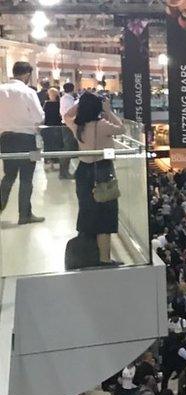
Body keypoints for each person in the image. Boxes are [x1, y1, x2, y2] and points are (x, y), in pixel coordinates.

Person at [64, 92, 124, 265]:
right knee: (106, 215)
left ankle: (88, 254)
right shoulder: (102, 125)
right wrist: (108, 110)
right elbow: (121, 128)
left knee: (87, 211)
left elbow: (66, 115)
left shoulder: (77, 125)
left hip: (83, 171)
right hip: (103, 170)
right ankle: (104, 259)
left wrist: (80, 103)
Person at [0, 61, 44, 225]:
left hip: (5, 138)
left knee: (8, 176)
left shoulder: (1, 89)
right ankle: (24, 214)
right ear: (26, 74)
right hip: (27, 139)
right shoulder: (28, 92)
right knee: (26, 178)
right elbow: (39, 117)